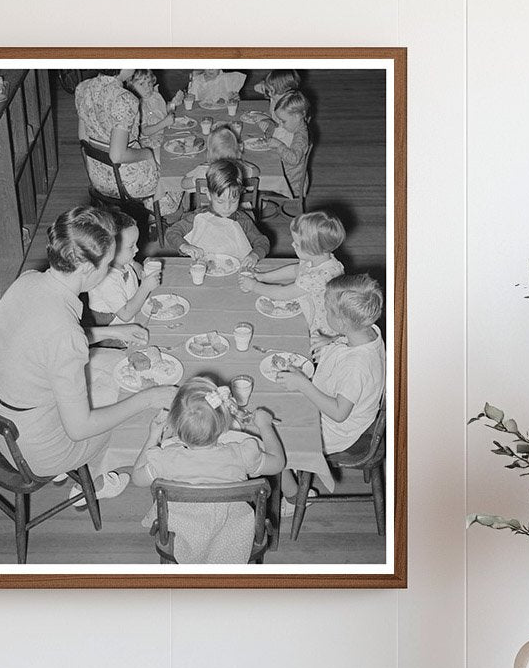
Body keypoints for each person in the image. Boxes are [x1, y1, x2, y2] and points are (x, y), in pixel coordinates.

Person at [0, 207, 174, 504]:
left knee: (117, 367)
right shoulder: (65, 334)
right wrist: (148, 398)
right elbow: (80, 429)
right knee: (134, 397)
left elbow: (42, 344)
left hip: (0, 425)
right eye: (107, 265)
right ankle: (102, 477)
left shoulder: (28, 280)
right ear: (89, 269)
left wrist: (111, 332)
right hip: (35, 450)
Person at [131, 378, 285, 563]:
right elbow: (278, 464)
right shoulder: (241, 454)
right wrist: (265, 425)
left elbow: (137, 478)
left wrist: (153, 436)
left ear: (174, 427)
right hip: (233, 532)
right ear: (224, 424)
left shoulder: (166, 459)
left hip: (183, 531)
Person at [274, 274, 386, 510]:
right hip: (345, 409)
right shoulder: (369, 330)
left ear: (343, 322)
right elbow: (351, 338)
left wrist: (304, 385)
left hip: (336, 429)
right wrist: (332, 340)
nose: (323, 312)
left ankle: (294, 496)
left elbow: (338, 412)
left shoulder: (357, 367)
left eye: (326, 309)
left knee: (273, 438)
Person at [238, 210, 345, 347]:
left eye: (297, 244)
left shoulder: (318, 276)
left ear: (312, 249)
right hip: (312, 313)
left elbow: (283, 294)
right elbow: (296, 270)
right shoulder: (320, 258)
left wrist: (254, 286)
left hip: (325, 331)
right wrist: (264, 276)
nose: (292, 245)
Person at [165, 159, 270, 268]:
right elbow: (171, 232)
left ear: (240, 195)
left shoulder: (243, 220)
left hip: (235, 271)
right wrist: (184, 246)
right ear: (209, 196)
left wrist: (255, 255)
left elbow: (263, 242)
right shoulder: (199, 217)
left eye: (233, 201)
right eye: (220, 201)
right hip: (203, 269)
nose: (227, 207)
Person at [74, 70, 159, 200]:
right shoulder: (124, 99)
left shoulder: (83, 87)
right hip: (127, 182)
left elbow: (83, 138)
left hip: (97, 177)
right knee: (176, 166)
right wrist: (148, 154)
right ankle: (155, 213)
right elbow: (117, 156)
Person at [87, 209, 161, 325]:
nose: (137, 249)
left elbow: (134, 264)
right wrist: (145, 288)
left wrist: (143, 270)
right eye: (131, 246)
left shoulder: (120, 260)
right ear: (110, 249)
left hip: (132, 310)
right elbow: (125, 315)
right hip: (114, 328)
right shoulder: (105, 280)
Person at [180, 123, 261, 193]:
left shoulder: (204, 171)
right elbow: (256, 171)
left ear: (209, 152)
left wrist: (187, 177)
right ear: (236, 149)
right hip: (238, 208)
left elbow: (183, 184)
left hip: (210, 209)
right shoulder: (241, 169)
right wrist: (240, 161)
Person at [261, 89, 312, 199]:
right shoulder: (294, 126)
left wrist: (279, 145)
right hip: (285, 171)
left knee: (259, 178)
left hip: (291, 183)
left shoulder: (301, 136)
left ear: (297, 116)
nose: (281, 124)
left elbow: (294, 159)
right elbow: (280, 132)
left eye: (283, 121)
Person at [127, 69, 183, 145]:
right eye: (141, 84)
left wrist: (172, 105)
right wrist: (164, 123)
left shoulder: (155, 95)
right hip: (149, 141)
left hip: (164, 133)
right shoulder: (138, 105)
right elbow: (145, 131)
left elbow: (161, 112)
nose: (147, 87)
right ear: (132, 86)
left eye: (149, 83)